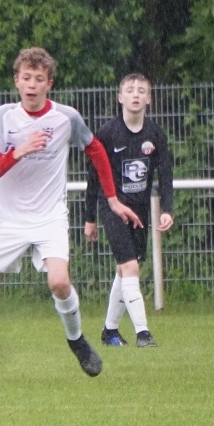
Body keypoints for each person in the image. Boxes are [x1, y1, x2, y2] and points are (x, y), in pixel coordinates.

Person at [0, 47, 143, 385]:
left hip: (49, 217)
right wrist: (19, 151)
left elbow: (96, 152)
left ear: (49, 84)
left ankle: (76, 340)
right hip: (8, 219)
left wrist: (112, 198)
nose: (32, 85)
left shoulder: (66, 117)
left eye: (39, 79)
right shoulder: (4, 116)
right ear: (17, 81)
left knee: (59, 282)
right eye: (26, 78)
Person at [84, 73, 174, 348]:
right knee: (130, 266)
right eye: (130, 90)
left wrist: (167, 209)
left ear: (149, 98)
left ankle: (110, 331)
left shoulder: (155, 134)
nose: (136, 94)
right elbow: (93, 178)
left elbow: (165, 174)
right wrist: (89, 218)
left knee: (125, 270)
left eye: (141, 90)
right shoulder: (107, 134)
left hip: (140, 207)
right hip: (112, 206)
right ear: (120, 97)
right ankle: (143, 333)